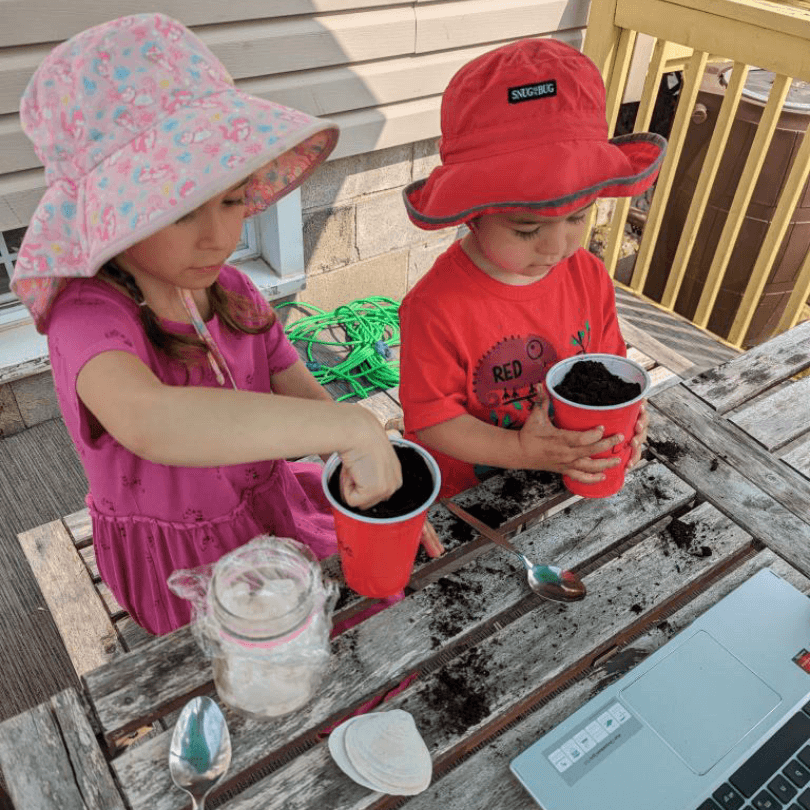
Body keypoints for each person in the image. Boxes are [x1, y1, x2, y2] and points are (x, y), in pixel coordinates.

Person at [12, 13, 442, 636]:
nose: (221, 236)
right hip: (180, 556)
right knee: (253, 671)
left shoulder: (230, 289)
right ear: (112, 215)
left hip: (266, 503)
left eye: (233, 199)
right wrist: (348, 424)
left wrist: (371, 485)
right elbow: (152, 420)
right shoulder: (86, 317)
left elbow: (288, 374)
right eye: (184, 210)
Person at [398, 38, 666, 499]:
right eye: (526, 229)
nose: (558, 246)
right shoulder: (434, 306)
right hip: (473, 498)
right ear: (471, 212)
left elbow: (610, 370)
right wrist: (523, 450)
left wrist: (628, 423)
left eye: (578, 216)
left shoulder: (588, 275)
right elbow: (433, 421)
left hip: (565, 477)